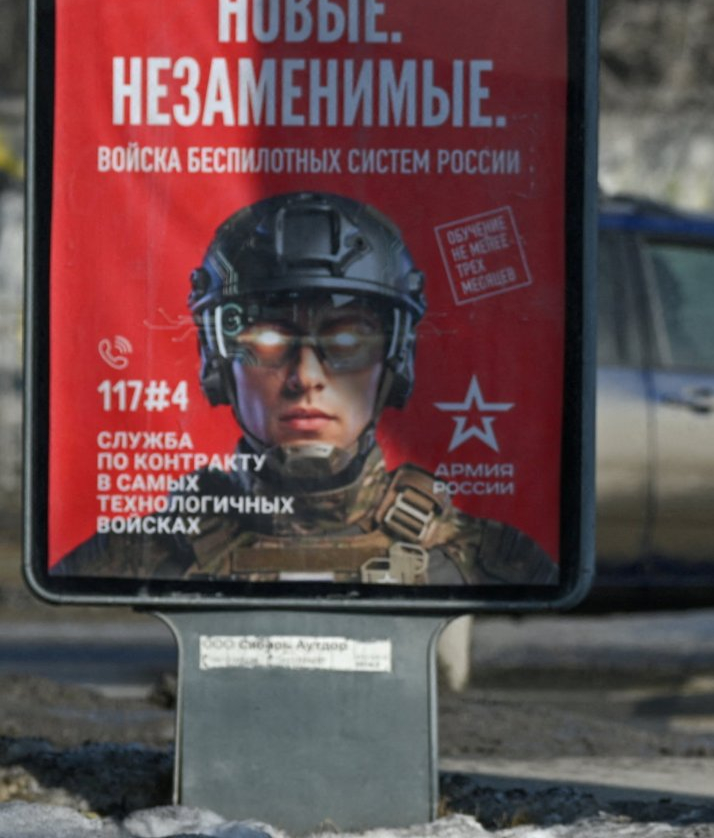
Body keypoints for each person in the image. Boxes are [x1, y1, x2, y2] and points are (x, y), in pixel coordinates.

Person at [54, 191, 556, 585]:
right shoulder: (133, 559)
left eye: (348, 338)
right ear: (218, 360)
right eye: (269, 339)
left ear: (395, 358)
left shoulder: (483, 561)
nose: (306, 378)